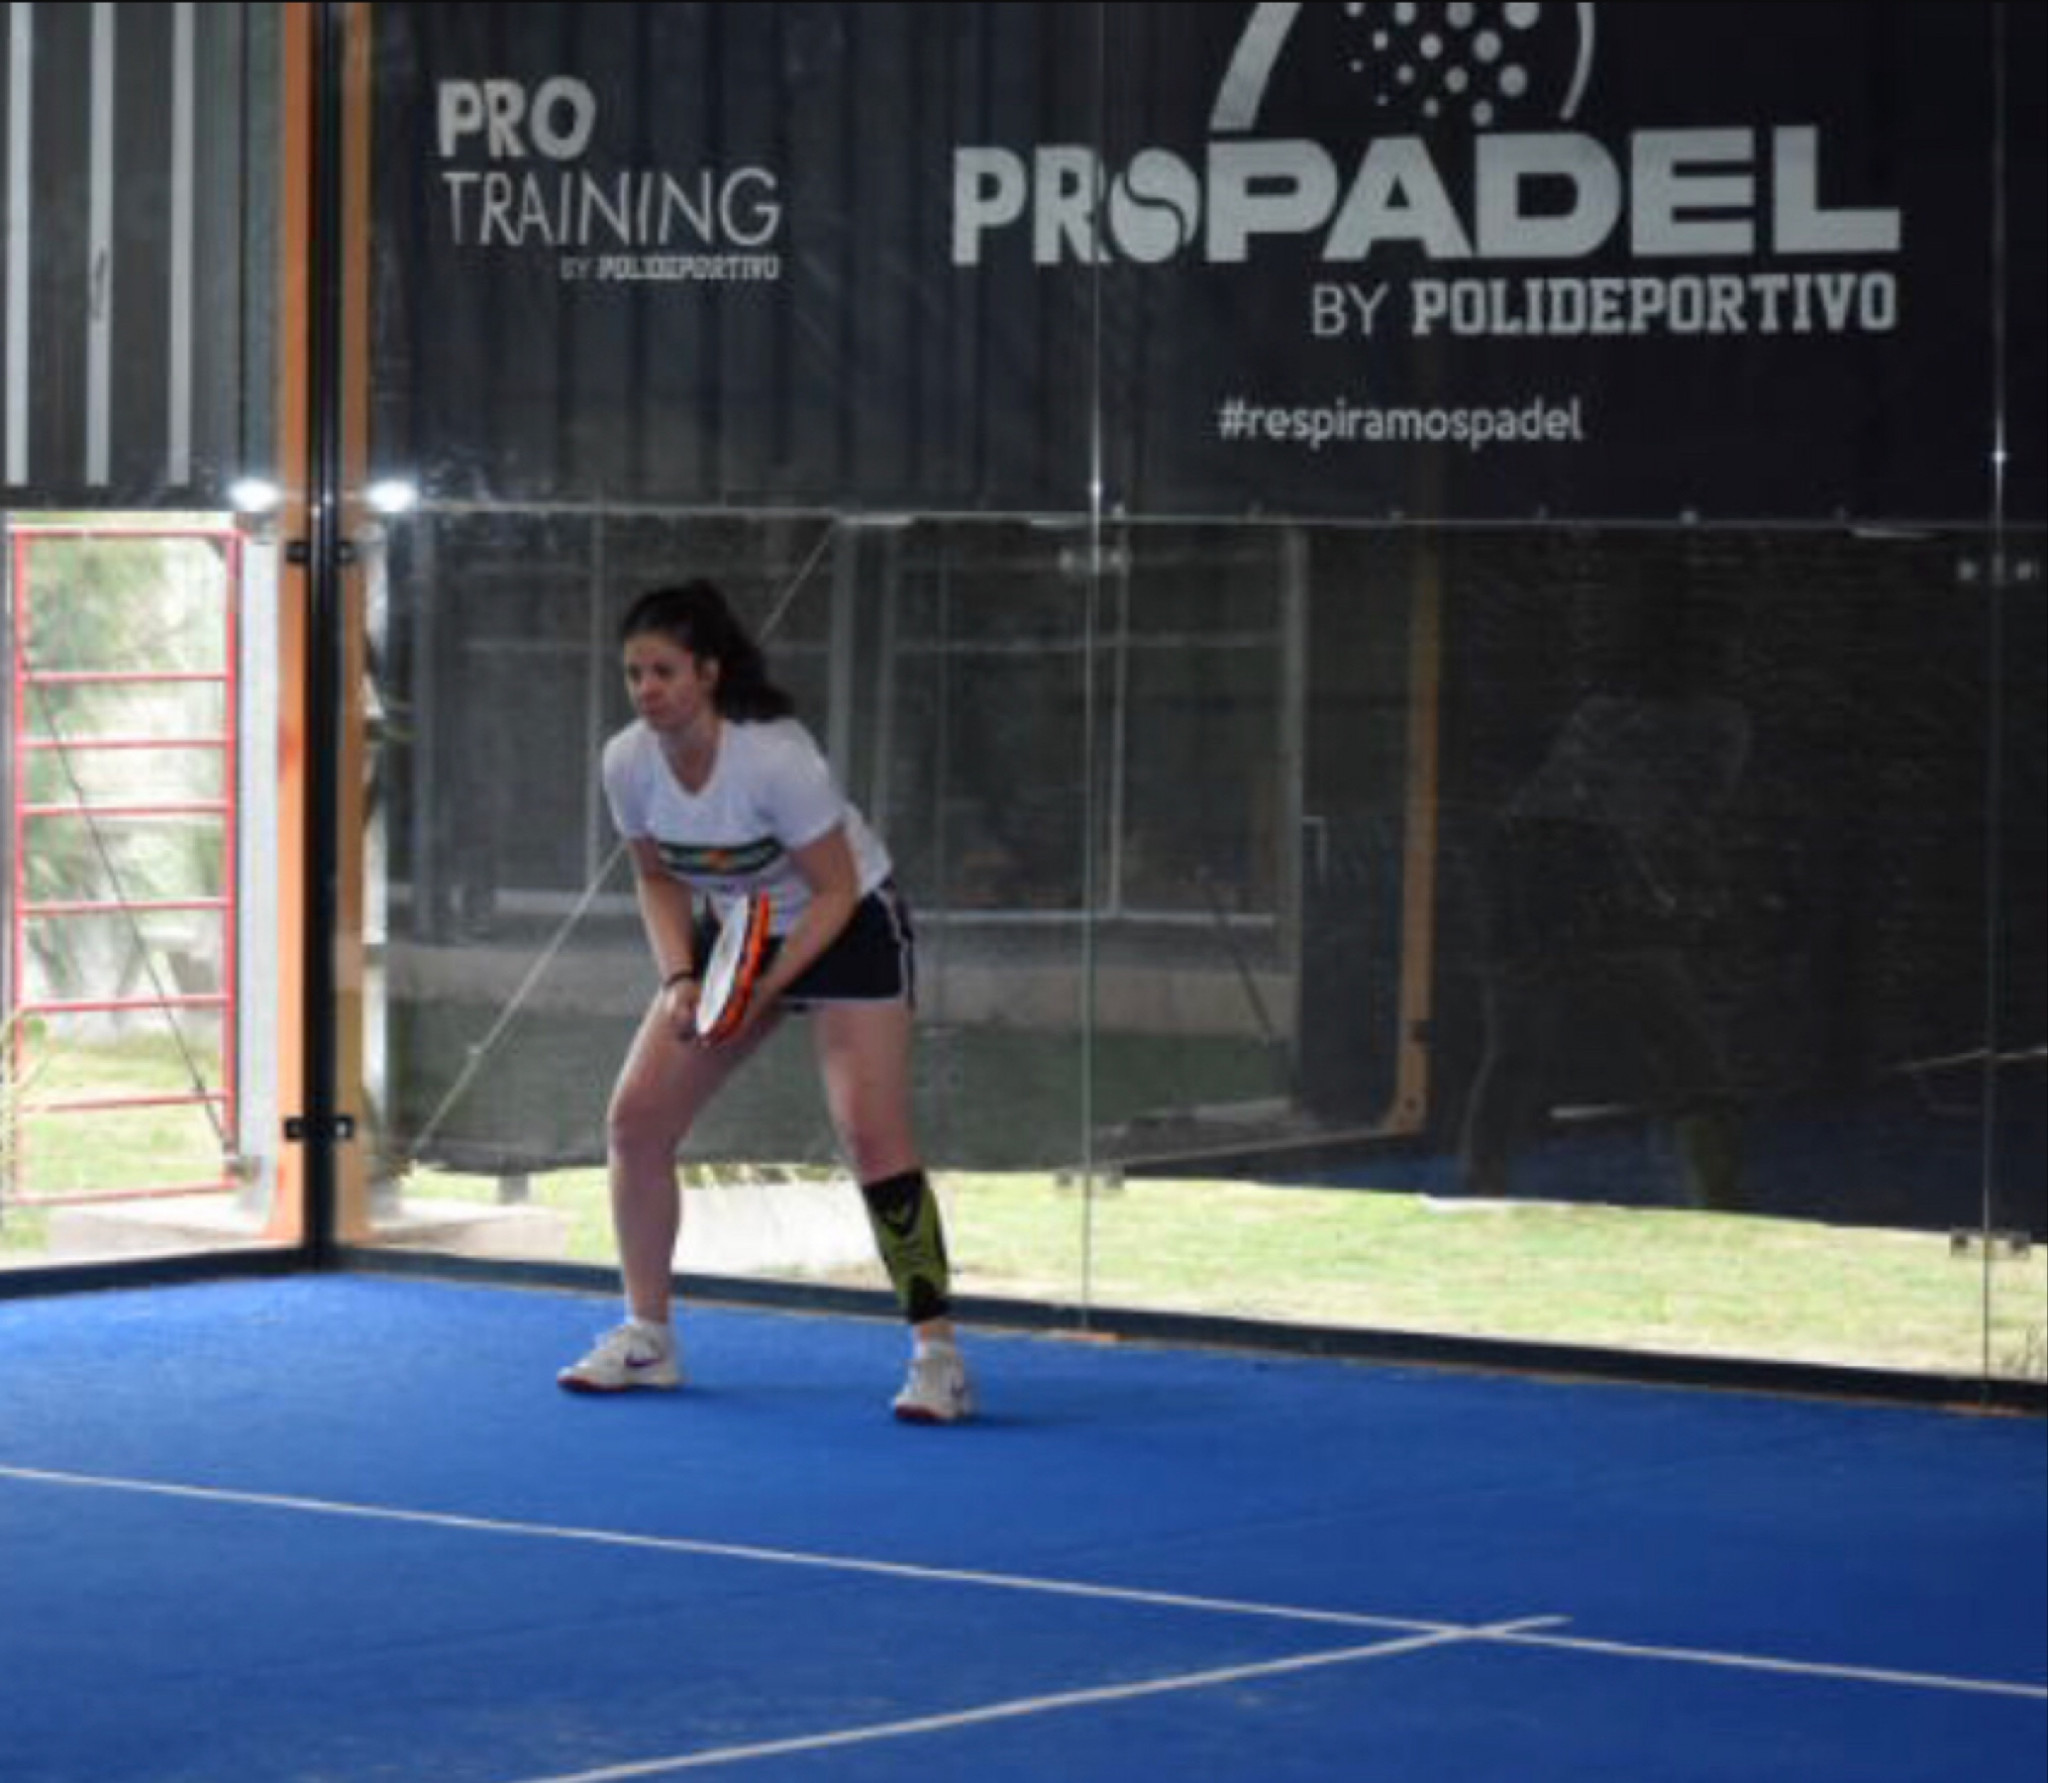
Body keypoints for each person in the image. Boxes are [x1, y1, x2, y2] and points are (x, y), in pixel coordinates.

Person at [557, 579, 974, 1423]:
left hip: (848, 924)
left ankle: (939, 1357)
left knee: (872, 1136)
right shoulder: (628, 761)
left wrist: (764, 992)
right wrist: (682, 980)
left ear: (709, 673)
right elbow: (656, 879)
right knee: (636, 1121)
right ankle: (648, 1337)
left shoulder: (777, 759)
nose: (647, 690)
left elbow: (835, 888)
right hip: (738, 931)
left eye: (665, 671)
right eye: (634, 673)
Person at [1458, 592, 1751, 1210]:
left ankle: (1484, 1183)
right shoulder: (1687, 722)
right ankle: (1720, 1197)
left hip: (1548, 876)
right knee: (1682, 1056)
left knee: (1532, 1050)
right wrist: (1683, 891)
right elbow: (1671, 816)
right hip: (1552, 876)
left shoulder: (1640, 719)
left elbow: (1669, 816)